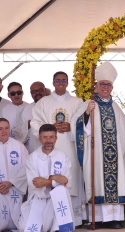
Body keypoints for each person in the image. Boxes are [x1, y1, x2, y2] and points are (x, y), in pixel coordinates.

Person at [72, 61, 125, 229]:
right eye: (102, 84)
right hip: (97, 155)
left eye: (108, 85)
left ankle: (114, 218)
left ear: (112, 88)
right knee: (97, 182)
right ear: (96, 85)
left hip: (114, 157)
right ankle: (97, 218)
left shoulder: (116, 107)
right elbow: (78, 128)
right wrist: (86, 114)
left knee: (115, 183)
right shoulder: (88, 104)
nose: (105, 87)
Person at [30, 71, 85, 227]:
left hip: (70, 146)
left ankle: (73, 219)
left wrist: (72, 126)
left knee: (71, 177)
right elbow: (35, 123)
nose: (61, 82)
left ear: (67, 83)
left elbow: (84, 123)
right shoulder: (44, 102)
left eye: (64, 80)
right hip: (50, 147)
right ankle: (51, 221)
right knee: (51, 176)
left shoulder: (77, 102)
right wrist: (50, 128)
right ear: (53, 82)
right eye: (58, 80)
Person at [19, 124, 74, 232]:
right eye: (45, 137)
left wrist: (47, 181)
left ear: (56, 138)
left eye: (51, 137)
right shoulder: (32, 158)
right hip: (38, 198)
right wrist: (54, 178)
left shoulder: (63, 157)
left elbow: (66, 182)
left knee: (61, 191)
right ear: (39, 138)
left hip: (58, 201)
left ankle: (58, 228)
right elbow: (35, 182)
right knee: (24, 228)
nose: (48, 140)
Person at [0, 118, 28, 231]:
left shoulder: (19, 146)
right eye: (0, 129)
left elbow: (26, 167)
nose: (4, 131)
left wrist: (10, 182)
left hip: (14, 188)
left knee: (17, 223)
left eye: (6, 128)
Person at [16, 82, 45, 153]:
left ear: (44, 90)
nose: (37, 93)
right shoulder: (25, 110)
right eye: (34, 91)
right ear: (31, 94)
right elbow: (18, 130)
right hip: (33, 147)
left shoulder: (52, 106)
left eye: (40, 90)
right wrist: (28, 124)